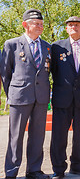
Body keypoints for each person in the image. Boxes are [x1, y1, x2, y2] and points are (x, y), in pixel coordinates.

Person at [1, 9, 51, 179]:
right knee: (16, 137)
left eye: (42, 24)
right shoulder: (12, 44)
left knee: (38, 136)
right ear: (25, 25)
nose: (40, 27)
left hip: (41, 98)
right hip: (20, 96)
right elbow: (5, 73)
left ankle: (34, 170)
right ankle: (11, 171)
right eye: (36, 24)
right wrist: (13, 93)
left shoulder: (47, 47)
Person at [50, 16, 80, 179]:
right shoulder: (56, 47)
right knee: (59, 135)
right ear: (66, 29)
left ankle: (77, 165)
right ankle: (58, 168)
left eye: (77, 25)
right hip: (62, 98)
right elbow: (53, 71)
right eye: (70, 25)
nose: (74, 27)